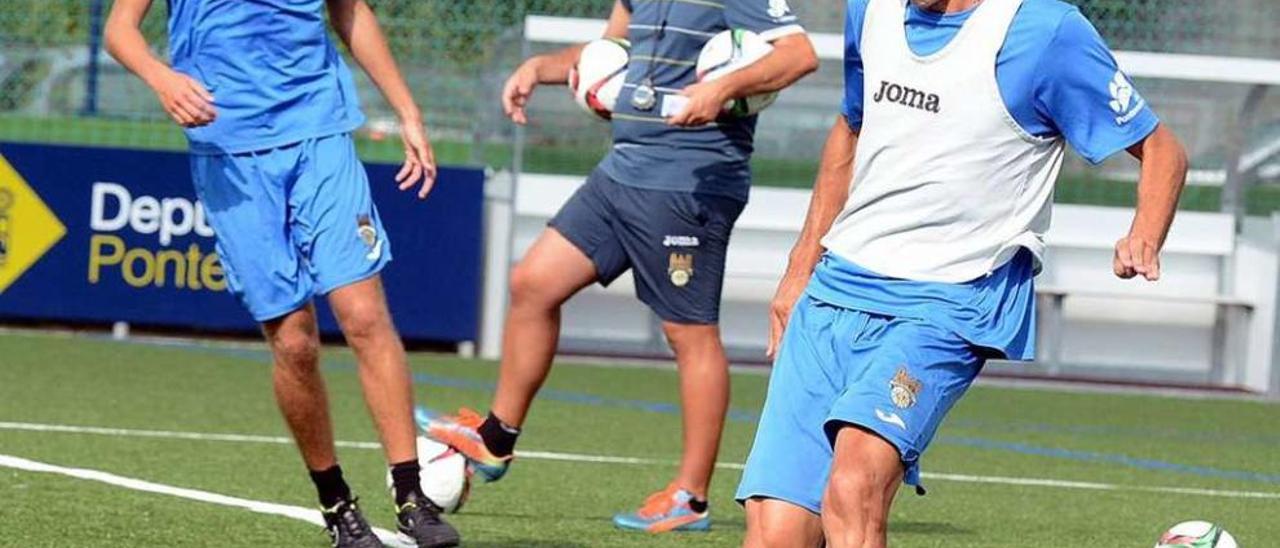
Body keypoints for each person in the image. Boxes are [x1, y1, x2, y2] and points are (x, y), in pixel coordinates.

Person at [734, 0, 1188, 546]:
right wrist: (799, 267)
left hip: (950, 299)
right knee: (776, 533)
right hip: (838, 287)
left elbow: (1162, 149)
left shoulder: (1044, 31)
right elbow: (851, 130)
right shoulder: (869, 11)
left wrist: (1144, 232)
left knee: (855, 486)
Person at [422, 0, 817, 534]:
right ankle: (496, 439)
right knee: (533, 283)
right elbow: (612, 54)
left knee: (689, 334)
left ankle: (690, 497)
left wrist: (719, 89)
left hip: (688, 182)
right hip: (622, 172)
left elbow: (798, 55)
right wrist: (542, 68)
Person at [103, 1, 458, 546]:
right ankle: (337, 504)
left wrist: (407, 111)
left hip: (320, 133)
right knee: (295, 342)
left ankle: (412, 495)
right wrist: (161, 77)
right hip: (230, 151)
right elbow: (119, 30)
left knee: (364, 314)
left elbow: (350, 12)